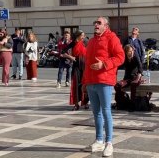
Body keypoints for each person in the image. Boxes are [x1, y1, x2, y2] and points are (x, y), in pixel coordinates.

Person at [82, 16, 125, 157]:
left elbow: (120, 56)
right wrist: (85, 82)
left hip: (104, 81)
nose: (96, 24)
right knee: (96, 113)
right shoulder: (92, 41)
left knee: (106, 111)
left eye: (99, 23)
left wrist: (104, 64)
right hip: (91, 82)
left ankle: (109, 143)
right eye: (95, 22)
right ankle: (99, 140)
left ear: (106, 26)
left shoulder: (112, 38)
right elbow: (87, 63)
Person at [61, 30, 87, 110]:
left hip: (85, 66)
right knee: (75, 85)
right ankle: (76, 104)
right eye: (82, 35)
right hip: (76, 66)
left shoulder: (85, 42)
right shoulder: (73, 43)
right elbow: (63, 52)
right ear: (78, 36)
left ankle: (85, 102)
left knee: (85, 85)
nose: (83, 37)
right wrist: (70, 57)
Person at [114, 44, 143, 110]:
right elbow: (118, 67)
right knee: (117, 85)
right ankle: (123, 102)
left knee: (133, 84)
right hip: (127, 78)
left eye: (132, 50)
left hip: (136, 77)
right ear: (126, 52)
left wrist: (137, 79)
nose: (132, 52)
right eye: (130, 51)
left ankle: (132, 104)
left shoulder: (136, 57)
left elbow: (140, 68)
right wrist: (114, 77)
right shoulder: (124, 58)